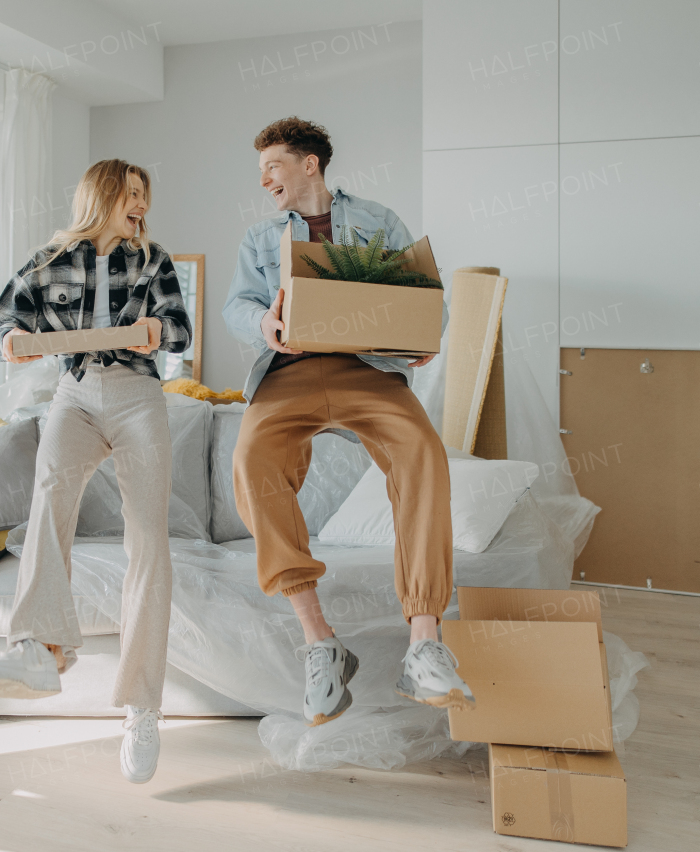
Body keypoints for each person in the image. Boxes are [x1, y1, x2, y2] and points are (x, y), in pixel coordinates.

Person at [222, 117, 474, 726]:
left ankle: (423, 642)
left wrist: (422, 337)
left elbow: (424, 296)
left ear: (310, 164)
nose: (266, 181)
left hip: (370, 369)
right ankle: (320, 641)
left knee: (423, 454)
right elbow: (238, 302)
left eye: (273, 167)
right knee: (251, 459)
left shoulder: (380, 220)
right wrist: (266, 326)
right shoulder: (260, 237)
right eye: (261, 173)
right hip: (290, 371)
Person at [0, 159, 193, 783]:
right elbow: (3, 322)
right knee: (49, 493)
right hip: (75, 393)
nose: (142, 206)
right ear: (103, 197)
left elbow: (179, 328)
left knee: (148, 536)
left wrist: (153, 327)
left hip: (136, 394)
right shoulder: (51, 260)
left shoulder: (152, 260)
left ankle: (142, 708)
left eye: (146, 197)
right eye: (132, 195)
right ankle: (37, 648)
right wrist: (10, 341)